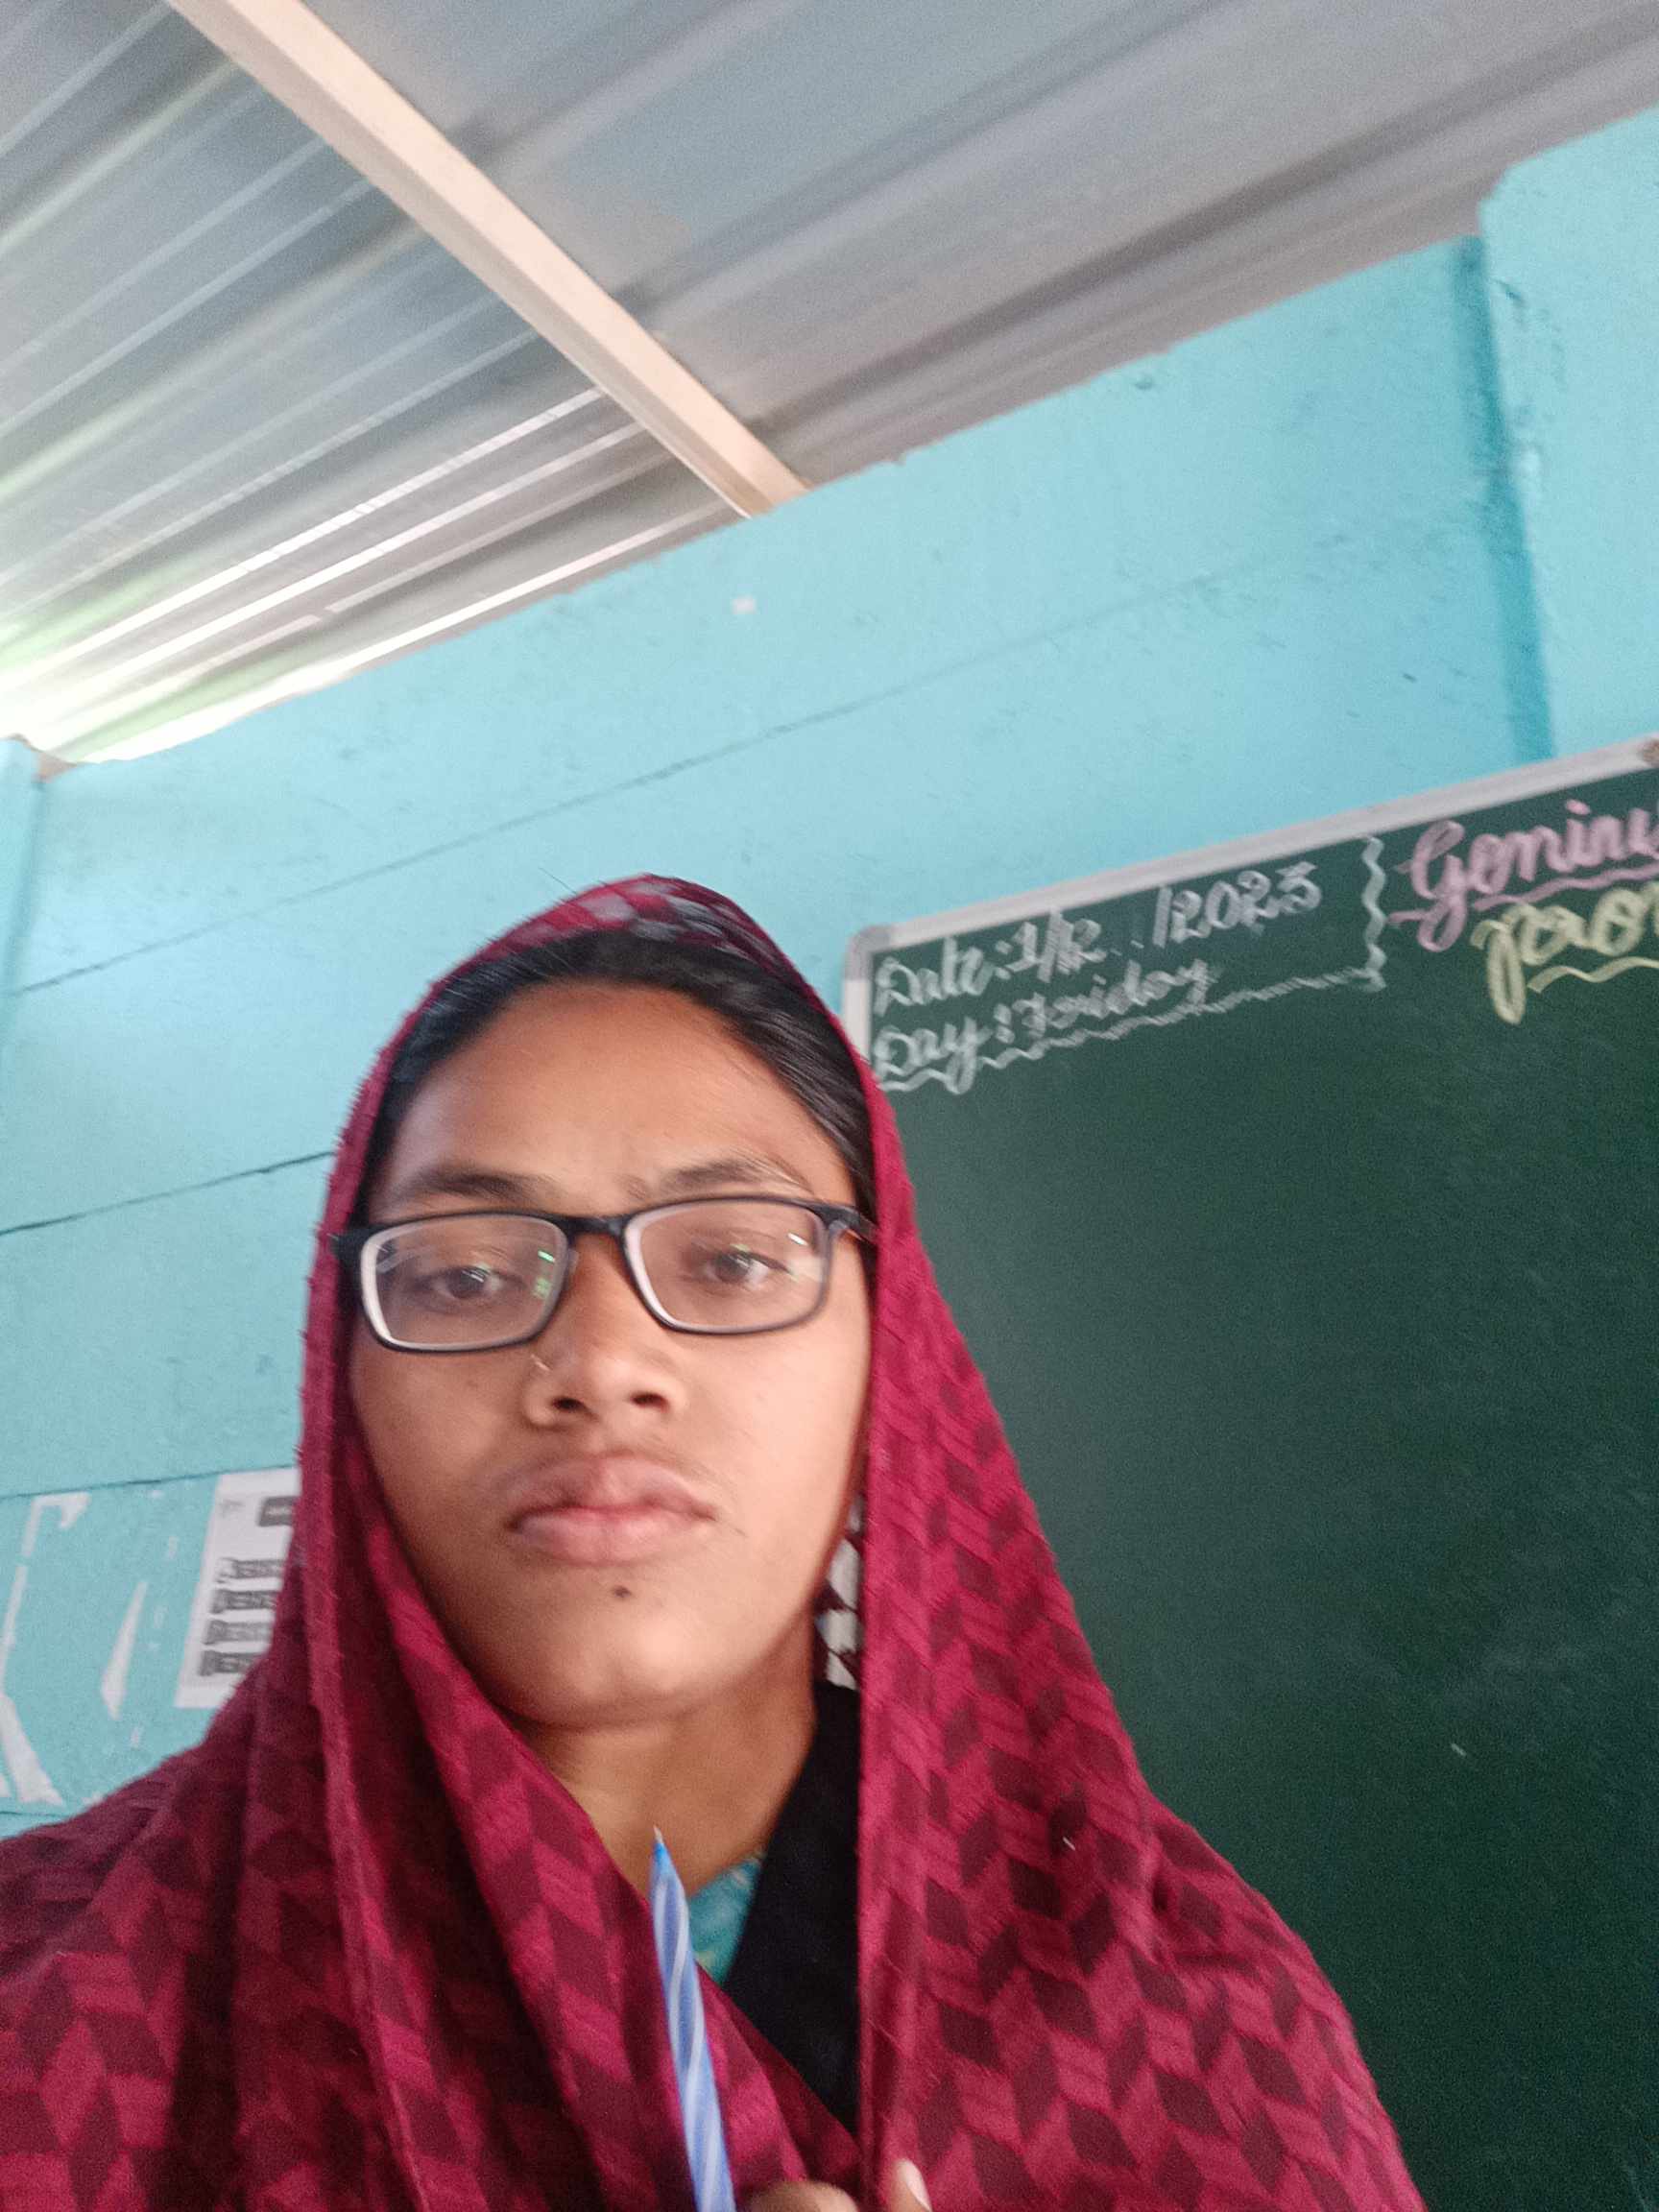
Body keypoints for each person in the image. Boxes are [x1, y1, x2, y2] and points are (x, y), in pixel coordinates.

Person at [0, 877, 1424, 2211]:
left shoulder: (1195, 2016)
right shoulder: (51, 1991)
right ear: (343, 1375)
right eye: (466, 1274)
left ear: (896, 1363)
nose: (600, 1362)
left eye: (735, 1258)